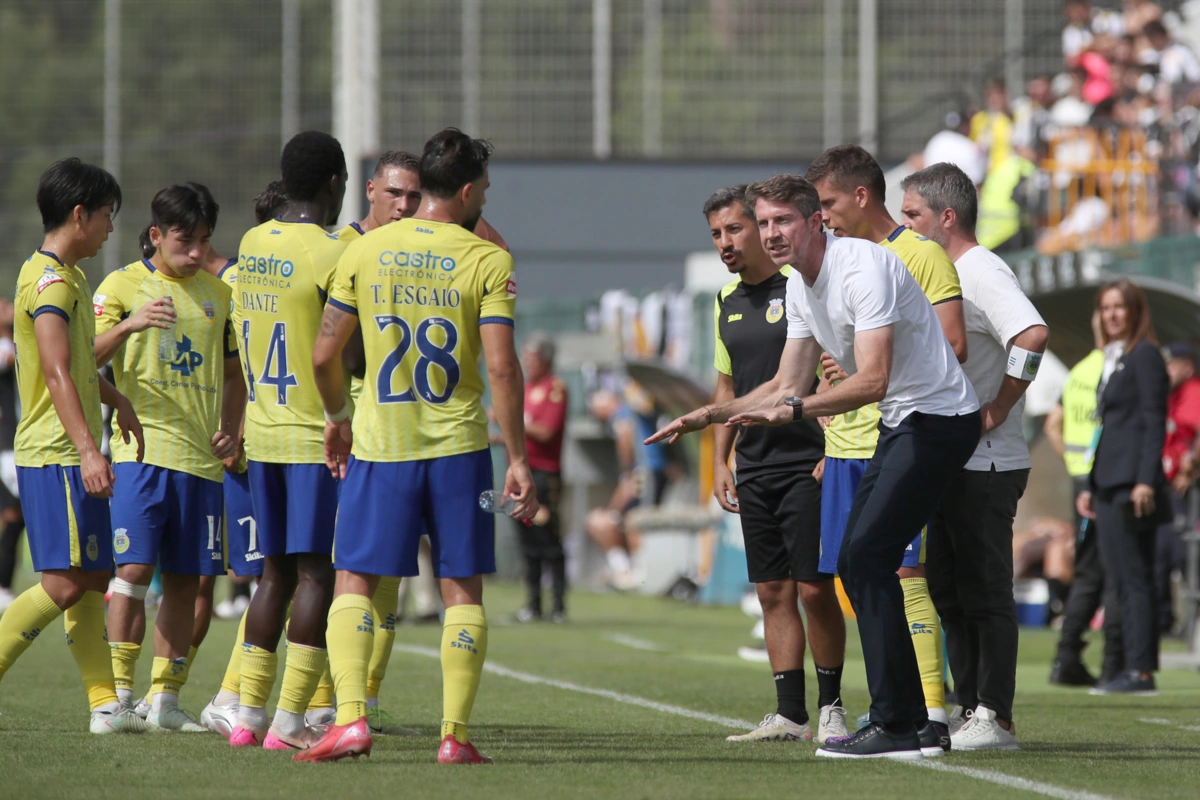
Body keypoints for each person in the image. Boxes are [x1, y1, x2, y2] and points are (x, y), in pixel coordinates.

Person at [648, 174, 980, 760]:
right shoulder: (803, 285)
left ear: (815, 221)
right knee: (862, 560)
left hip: (939, 420)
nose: (771, 233)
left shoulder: (863, 268)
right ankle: (915, 722)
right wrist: (709, 415)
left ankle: (898, 722)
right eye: (766, 222)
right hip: (906, 423)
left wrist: (793, 411)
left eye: (783, 221)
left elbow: (869, 380)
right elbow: (784, 381)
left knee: (865, 560)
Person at [303, 127, 537, 765]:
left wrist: (336, 416)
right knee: (462, 587)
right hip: (461, 448)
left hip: (382, 445)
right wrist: (517, 457)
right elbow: (504, 370)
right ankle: (454, 737)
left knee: (354, 578)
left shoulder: (367, 249)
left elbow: (324, 353)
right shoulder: (487, 259)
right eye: (483, 189)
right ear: (465, 192)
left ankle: (350, 720)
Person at [803, 144, 966, 753]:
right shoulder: (829, 267)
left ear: (859, 197)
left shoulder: (914, 255)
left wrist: (861, 373)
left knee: (907, 571)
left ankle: (929, 712)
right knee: (860, 565)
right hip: (860, 435)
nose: (819, 218)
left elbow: (949, 345)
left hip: (921, 425)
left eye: (826, 204)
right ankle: (910, 719)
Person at [900, 162, 1050, 751]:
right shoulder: (939, 271)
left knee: (985, 590)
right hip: (950, 458)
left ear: (946, 217)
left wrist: (1000, 404)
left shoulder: (980, 270)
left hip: (988, 461)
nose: (905, 226)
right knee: (950, 591)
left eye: (912, 215)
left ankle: (997, 715)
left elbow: (1031, 335)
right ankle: (970, 710)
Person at [0, 157, 148, 733]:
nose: (112, 227)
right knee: (63, 584)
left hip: (70, 449)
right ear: (80, 214)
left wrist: (117, 401)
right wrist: (89, 451)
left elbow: (79, 367)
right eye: (108, 215)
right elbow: (58, 374)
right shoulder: (54, 283)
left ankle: (105, 707)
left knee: (88, 580)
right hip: (56, 453)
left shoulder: (67, 275)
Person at [92, 183, 245, 731]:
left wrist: (232, 429)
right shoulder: (121, 285)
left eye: (205, 240)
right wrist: (129, 324)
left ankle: (165, 703)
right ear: (156, 234)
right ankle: (116, 699)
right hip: (141, 455)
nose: (197, 252)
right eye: (185, 240)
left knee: (187, 582)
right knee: (132, 571)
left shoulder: (218, 295)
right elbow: (83, 357)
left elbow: (234, 375)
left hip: (201, 463)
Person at [703, 185, 847, 745]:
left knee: (815, 589)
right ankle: (790, 713)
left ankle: (831, 705)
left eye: (735, 229)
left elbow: (838, 369)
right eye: (716, 234)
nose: (727, 243)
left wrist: (835, 443)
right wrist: (721, 458)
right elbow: (727, 386)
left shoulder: (804, 289)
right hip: (756, 464)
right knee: (772, 592)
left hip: (809, 459)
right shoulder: (724, 300)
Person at [229, 130, 349, 750]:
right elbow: (339, 347)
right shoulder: (330, 252)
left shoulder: (252, 242)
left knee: (271, 575)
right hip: (312, 436)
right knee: (317, 576)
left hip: (264, 433)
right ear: (335, 182)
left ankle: (247, 718)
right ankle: (288, 722)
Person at [1078, 279, 1168, 696]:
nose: (1112, 315)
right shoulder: (1114, 357)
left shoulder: (1145, 355)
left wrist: (1145, 479)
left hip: (1131, 484)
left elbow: (1153, 421)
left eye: (1120, 307)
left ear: (1135, 311)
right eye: (1106, 307)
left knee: (1134, 579)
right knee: (1119, 578)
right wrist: (1090, 483)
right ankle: (1125, 667)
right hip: (1108, 484)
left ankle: (1140, 671)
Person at [1045, 336, 1124, 688]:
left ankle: (1068, 655)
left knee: (1090, 571)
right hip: (1105, 481)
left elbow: (1052, 424)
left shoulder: (1077, 372)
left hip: (1082, 480)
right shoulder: (1112, 371)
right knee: (1113, 572)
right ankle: (1113, 663)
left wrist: (1073, 462)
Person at [516, 331, 568, 623]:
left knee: (549, 537)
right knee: (526, 539)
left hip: (545, 475)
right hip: (522, 472)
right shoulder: (524, 389)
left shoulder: (554, 389)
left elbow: (546, 431)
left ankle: (558, 606)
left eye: (532, 357)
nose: (527, 362)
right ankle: (533, 605)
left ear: (545, 359)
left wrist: (516, 423)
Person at [1155, 341, 1200, 634]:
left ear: (1188, 367)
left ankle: (1193, 623)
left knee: (1187, 554)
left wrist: (1192, 470)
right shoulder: (1171, 395)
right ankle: (1166, 621)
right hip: (1170, 489)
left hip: (1189, 490)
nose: (1167, 370)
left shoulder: (1194, 392)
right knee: (1165, 553)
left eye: (1172, 365)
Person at [336, 151, 423, 242]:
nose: (404, 206)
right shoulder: (340, 245)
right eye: (393, 192)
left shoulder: (425, 250)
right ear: (371, 191)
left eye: (414, 196)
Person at [0, 299, 25, 613]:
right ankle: (3, 585)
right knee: (14, 517)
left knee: (15, 517)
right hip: (10, 448)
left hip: (20, 445)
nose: (8, 306)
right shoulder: (6, 347)